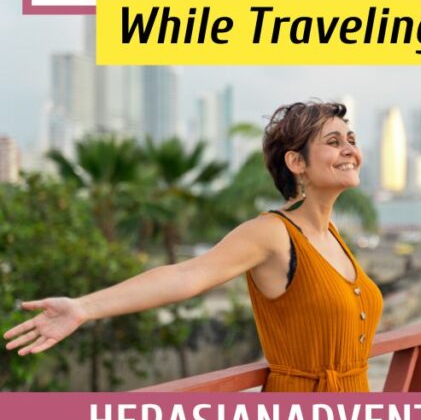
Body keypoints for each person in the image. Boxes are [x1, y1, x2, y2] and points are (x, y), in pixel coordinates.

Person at [3, 101, 382, 393]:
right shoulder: (272, 233)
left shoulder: (332, 234)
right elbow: (186, 275)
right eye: (333, 142)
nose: (349, 149)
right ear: (296, 162)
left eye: (351, 140)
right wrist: (83, 307)